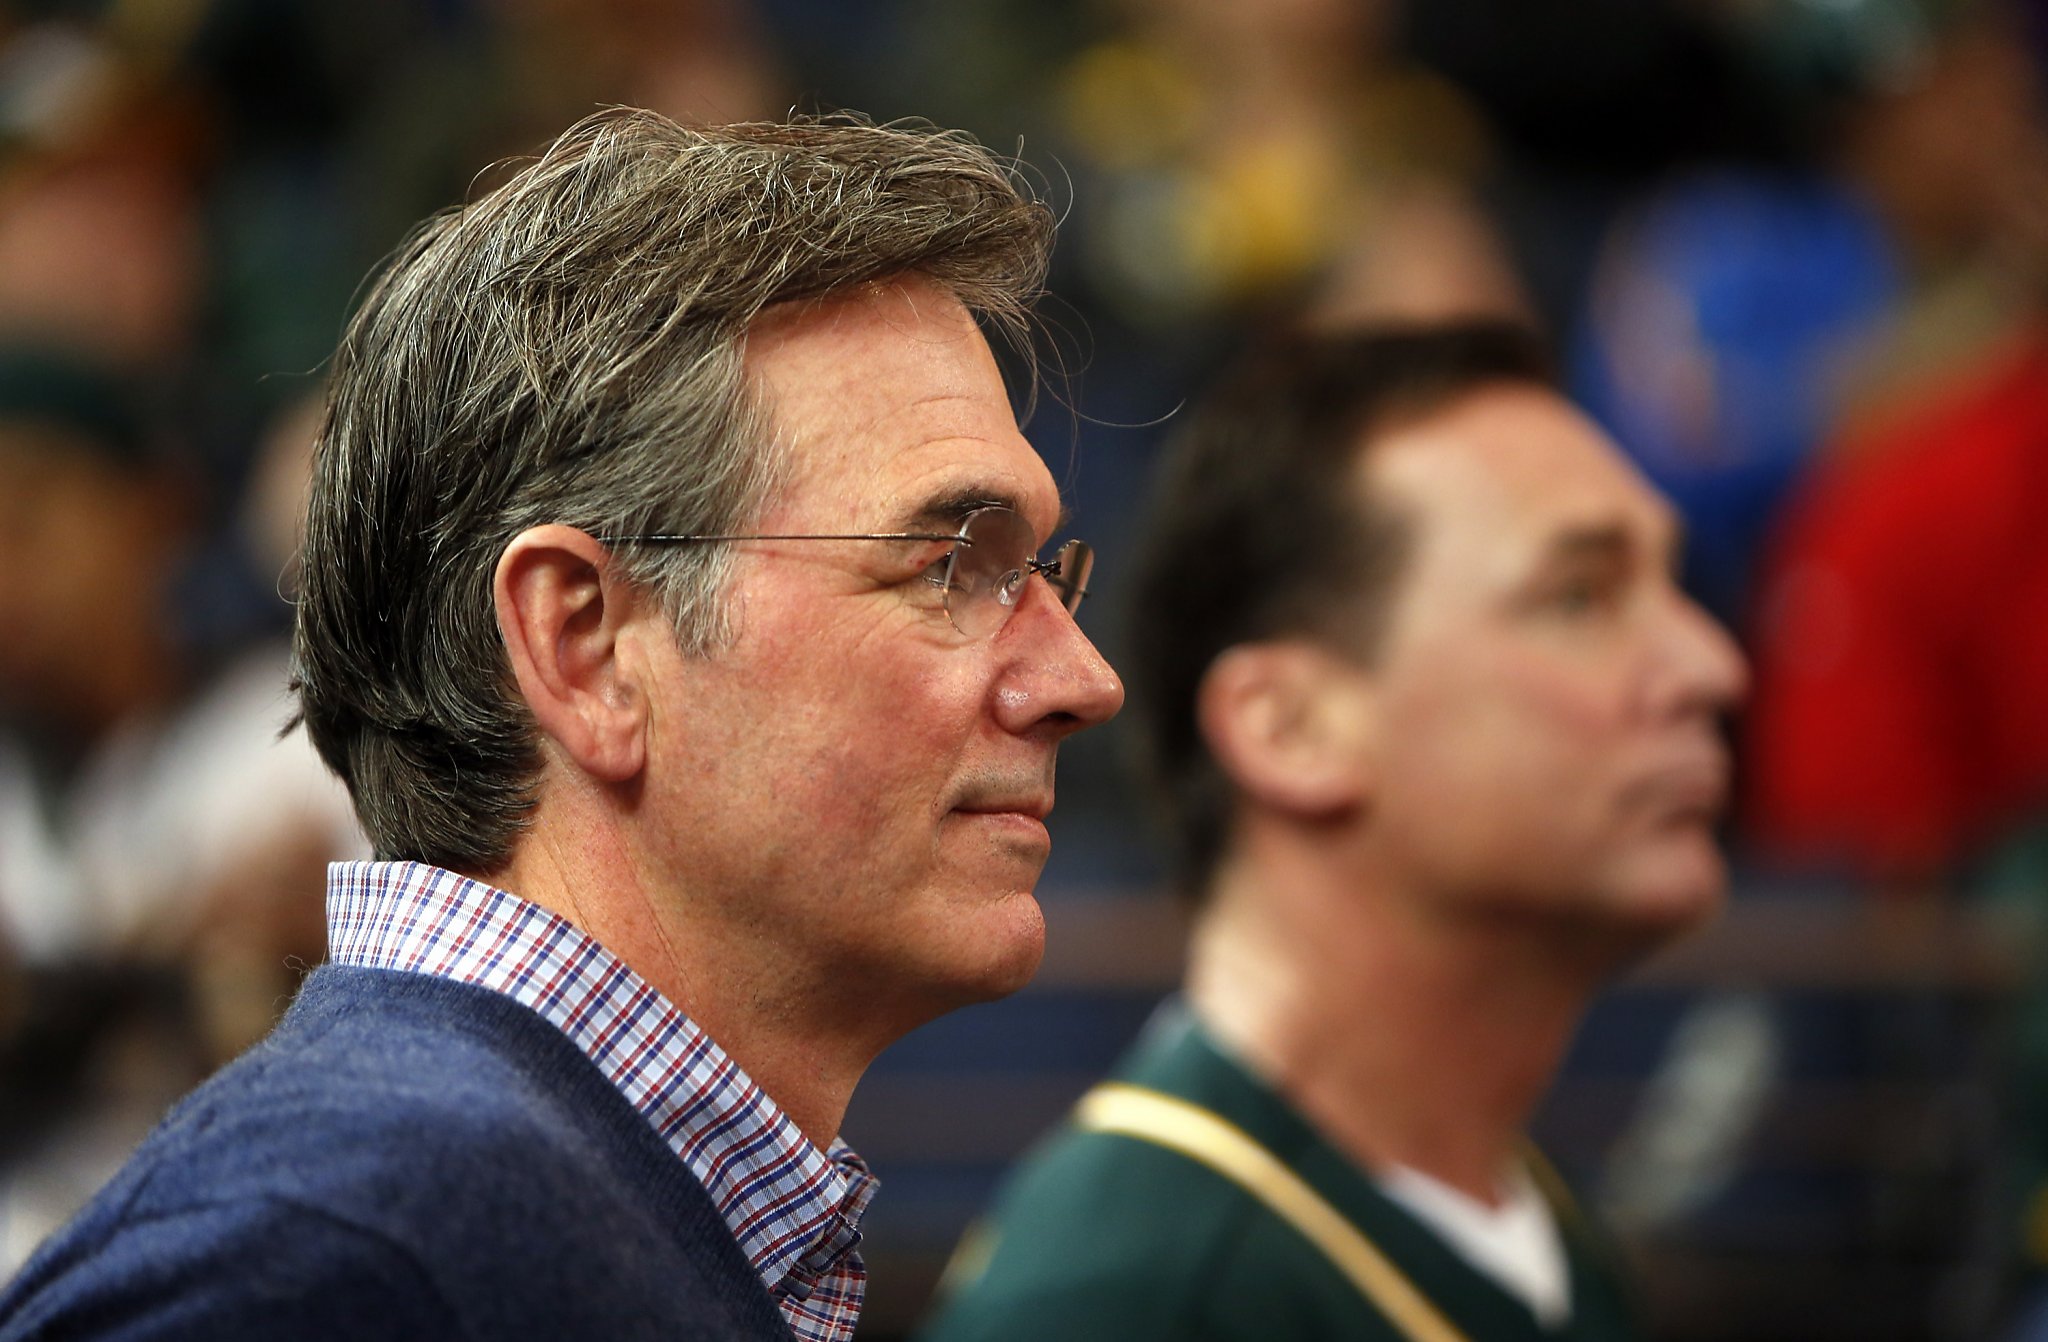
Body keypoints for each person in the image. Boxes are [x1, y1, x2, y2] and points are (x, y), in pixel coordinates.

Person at [0, 106, 1123, 1341]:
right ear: (582, 646)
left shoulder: (432, 1204)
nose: (1079, 678)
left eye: (1040, 574)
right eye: (949, 563)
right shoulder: (340, 1248)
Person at [918, 323, 1747, 1341]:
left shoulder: (1525, 1212)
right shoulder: (1120, 1299)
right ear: (1288, 725)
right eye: (1578, 594)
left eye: (1672, 585)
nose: (1709, 664)